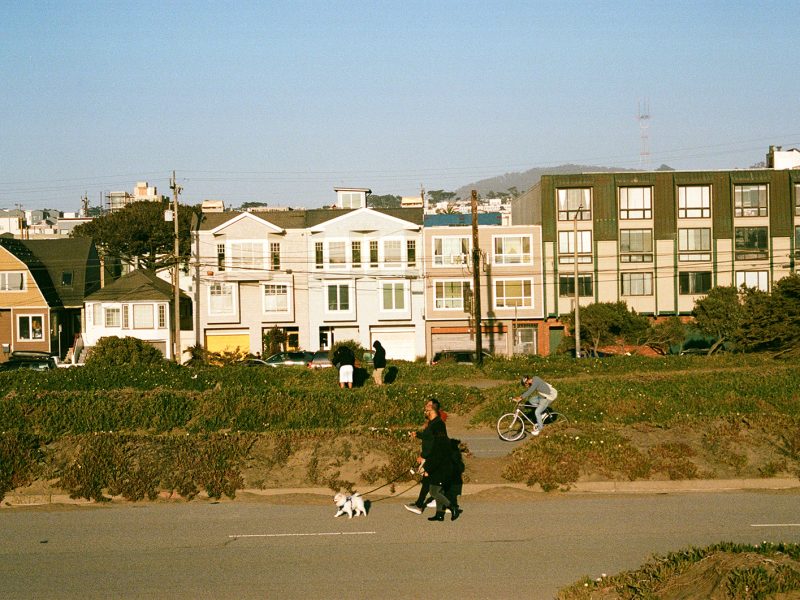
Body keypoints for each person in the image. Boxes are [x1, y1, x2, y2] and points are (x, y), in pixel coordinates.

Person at [405, 398, 448, 515]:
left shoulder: (437, 424)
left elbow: (435, 444)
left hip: (434, 458)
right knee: (428, 481)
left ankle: (422, 505)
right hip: (434, 457)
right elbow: (430, 438)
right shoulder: (434, 423)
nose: (425, 407)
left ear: (431, 408)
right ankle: (439, 503)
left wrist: (423, 456)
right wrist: (418, 434)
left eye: (427, 405)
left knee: (428, 480)